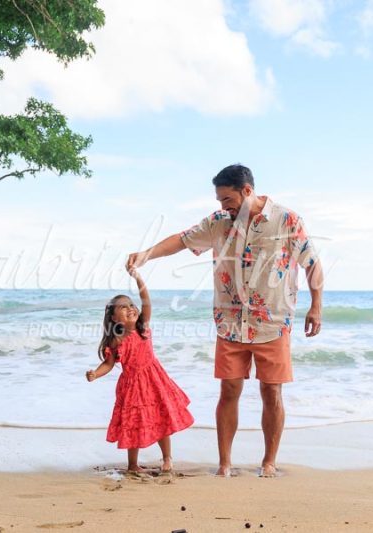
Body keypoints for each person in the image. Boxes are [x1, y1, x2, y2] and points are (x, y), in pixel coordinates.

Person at [126, 164, 323, 477]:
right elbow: (181, 240)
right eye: (219, 201)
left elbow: (312, 263)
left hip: (273, 322)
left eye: (227, 200)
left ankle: (268, 462)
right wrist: (147, 254)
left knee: (271, 392)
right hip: (229, 322)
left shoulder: (287, 220)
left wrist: (316, 306)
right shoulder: (218, 222)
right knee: (229, 391)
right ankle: (225, 464)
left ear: (247, 191)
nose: (223, 206)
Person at [86, 269, 195, 473]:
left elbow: (146, 300)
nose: (130, 308)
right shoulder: (116, 339)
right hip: (132, 386)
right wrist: (95, 374)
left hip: (154, 379)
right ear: (113, 318)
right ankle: (133, 465)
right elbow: (109, 364)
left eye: (130, 304)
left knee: (161, 418)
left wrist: (138, 278)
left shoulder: (142, 327)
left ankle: (167, 458)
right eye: (122, 307)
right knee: (133, 423)